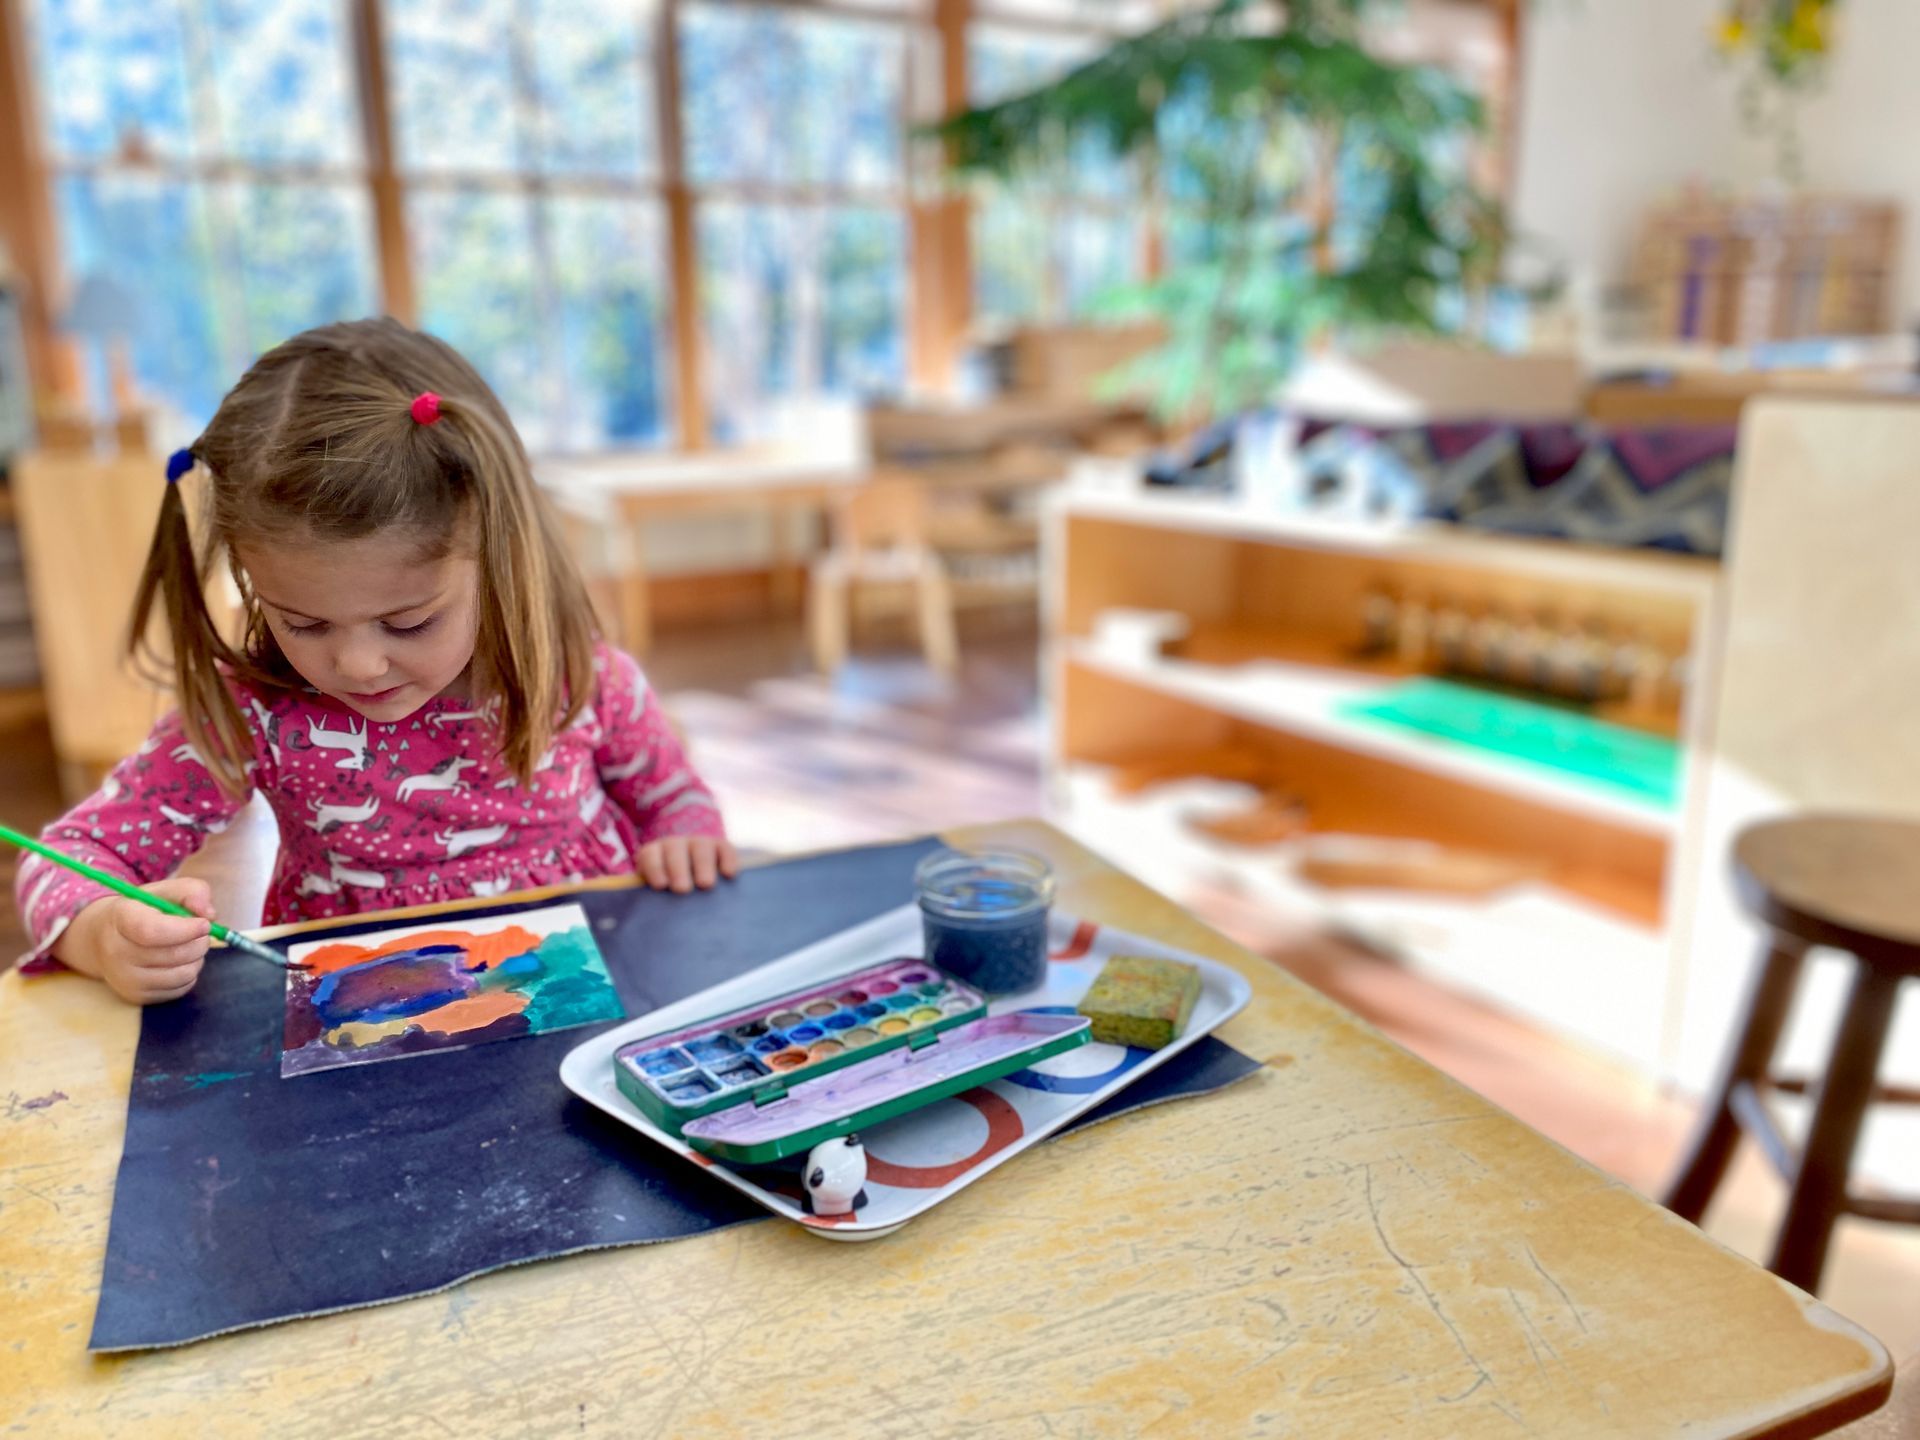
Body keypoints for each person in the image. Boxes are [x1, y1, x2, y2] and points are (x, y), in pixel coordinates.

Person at [12, 318, 734, 1004]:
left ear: (499, 557)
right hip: (370, 1031)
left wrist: (685, 839)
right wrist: (102, 932)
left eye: (408, 621)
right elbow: (66, 857)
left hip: (588, 1001)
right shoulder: (252, 715)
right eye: (303, 623)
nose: (357, 664)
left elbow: (675, 800)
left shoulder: (587, 678)